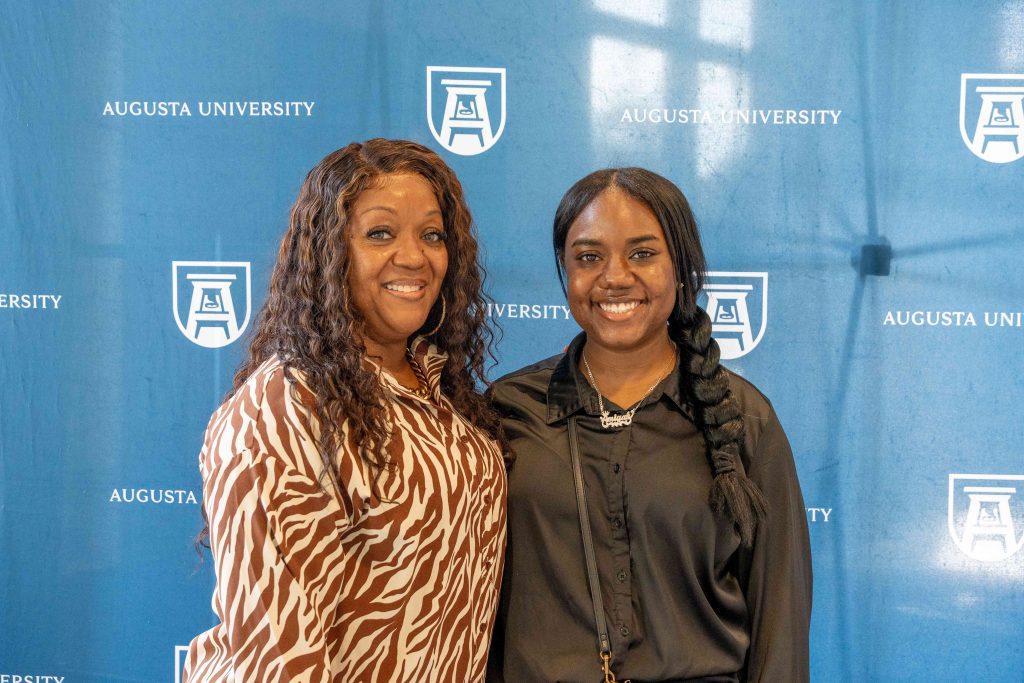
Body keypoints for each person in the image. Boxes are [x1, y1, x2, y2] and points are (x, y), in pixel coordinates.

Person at [184, 139, 507, 682]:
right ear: (328, 252)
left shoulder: (442, 393)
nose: (414, 257)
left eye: (432, 235)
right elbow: (276, 656)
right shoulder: (288, 405)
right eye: (380, 233)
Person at [488, 168, 811, 682]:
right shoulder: (507, 410)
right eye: (588, 257)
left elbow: (780, 625)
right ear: (565, 272)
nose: (614, 277)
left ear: (681, 267)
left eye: (642, 254)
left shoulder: (745, 419)